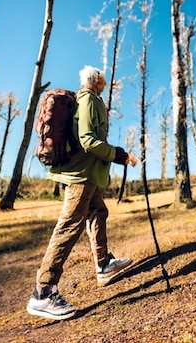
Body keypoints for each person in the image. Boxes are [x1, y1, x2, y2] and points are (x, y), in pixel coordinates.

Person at [26, 65, 137, 321]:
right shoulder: (88, 99)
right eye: (103, 76)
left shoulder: (90, 100)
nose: (106, 80)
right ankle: (43, 291)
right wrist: (121, 155)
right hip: (80, 177)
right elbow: (87, 139)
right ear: (96, 79)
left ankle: (103, 264)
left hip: (87, 175)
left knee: (98, 211)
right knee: (69, 226)